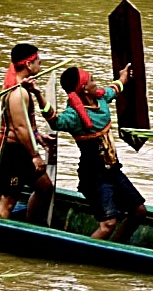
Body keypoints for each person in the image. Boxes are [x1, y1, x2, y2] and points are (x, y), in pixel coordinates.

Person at [52, 65, 146, 241]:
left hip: (113, 170)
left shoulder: (100, 99)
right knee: (108, 224)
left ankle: (114, 248)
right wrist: (39, 96)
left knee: (139, 211)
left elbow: (114, 89)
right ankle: (82, 256)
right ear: (84, 89)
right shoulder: (74, 116)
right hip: (93, 175)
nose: (95, 83)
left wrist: (123, 77)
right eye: (92, 81)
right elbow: (56, 122)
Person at [0, 43, 56, 224]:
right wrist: (35, 155)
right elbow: (19, 128)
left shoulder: (24, 89)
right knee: (7, 202)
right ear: (28, 64)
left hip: (23, 151)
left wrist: (38, 137)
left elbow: (25, 124)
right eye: (38, 62)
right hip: (13, 155)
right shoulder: (17, 93)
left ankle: (30, 226)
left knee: (45, 188)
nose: (40, 66)